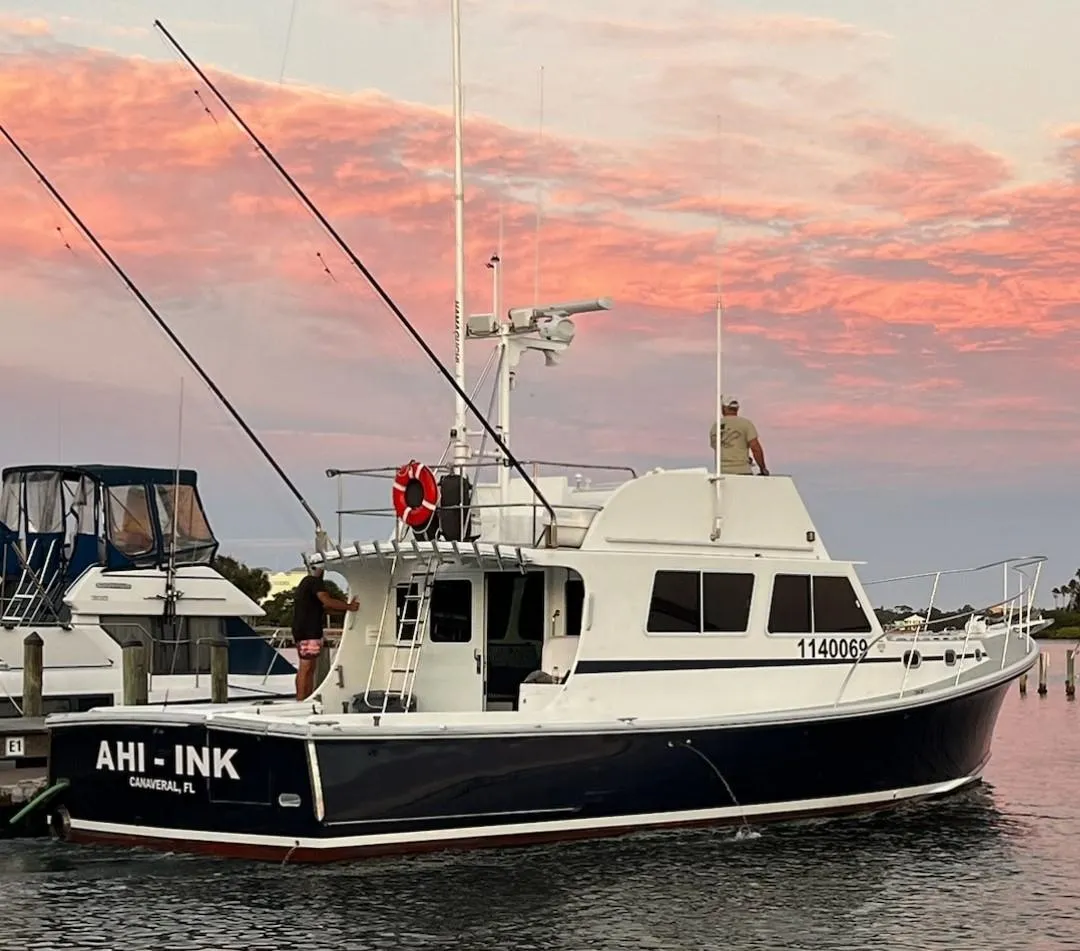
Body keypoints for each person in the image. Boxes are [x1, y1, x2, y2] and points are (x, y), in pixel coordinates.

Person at [291, 564, 359, 700]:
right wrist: (349, 607)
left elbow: (324, 608)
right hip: (310, 631)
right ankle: (301, 699)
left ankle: (305, 697)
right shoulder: (315, 582)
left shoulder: (305, 584)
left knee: (308, 667)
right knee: (307, 666)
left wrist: (344, 609)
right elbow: (327, 601)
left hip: (302, 629)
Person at [709, 398, 769, 475]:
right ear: (737, 408)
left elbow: (718, 447)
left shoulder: (715, 426)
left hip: (722, 473)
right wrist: (762, 468)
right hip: (742, 472)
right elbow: (755, 448)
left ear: (723, 408)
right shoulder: (746, 424)